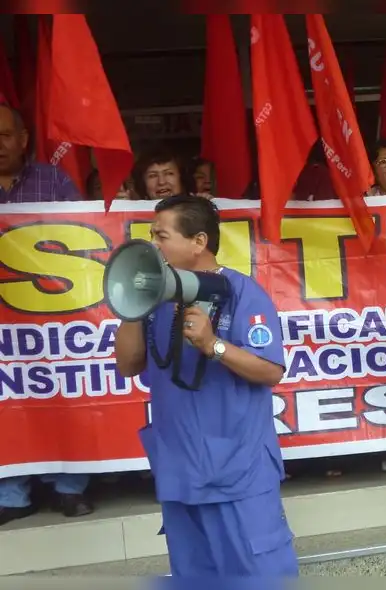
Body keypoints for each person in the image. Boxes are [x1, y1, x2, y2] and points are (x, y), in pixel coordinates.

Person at [113, 195, 298, 576]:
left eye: (161, 236)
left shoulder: (242, 292)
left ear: (198, 241)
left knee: (260, 577)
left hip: (238, 475)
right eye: (152, 235)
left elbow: (271, 371)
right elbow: (128, 364)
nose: (153, 245)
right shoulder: (157, 297)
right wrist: (134, 301)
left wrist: (214, 345)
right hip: (180, 474)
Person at [0, 104, 94, 527]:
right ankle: (11, 495)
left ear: (23, 139)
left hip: (54, 319)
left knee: (62, 396)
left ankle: (69, 488)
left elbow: (84, 237)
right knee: (7, 401)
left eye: (5, 135)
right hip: (3, 327)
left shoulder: (53, 181)